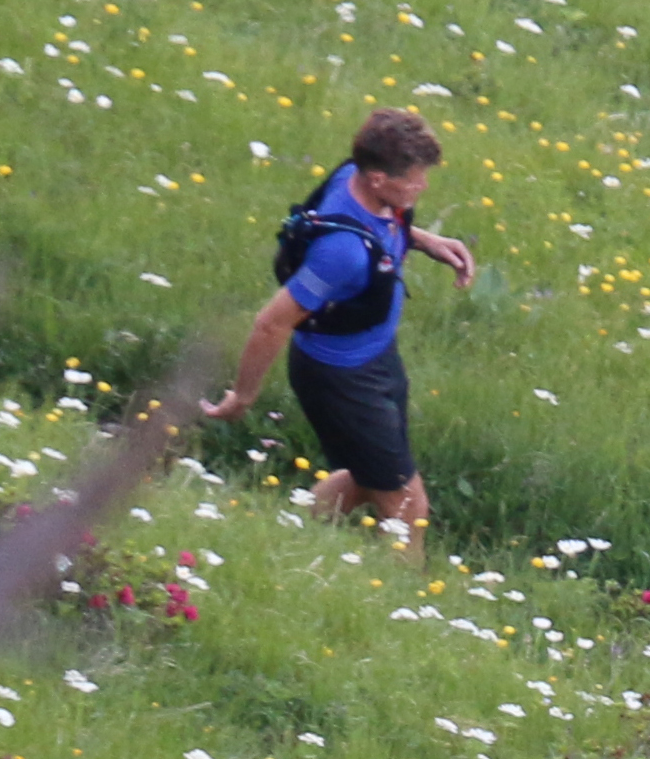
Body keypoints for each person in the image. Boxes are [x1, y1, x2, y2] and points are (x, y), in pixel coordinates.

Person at [202, 109, 477, 547]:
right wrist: (243, 395)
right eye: (412, 179)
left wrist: (424, 240)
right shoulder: (341, 254)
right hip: (342, 380)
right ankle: (405, 601)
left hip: (377, 357)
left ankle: (284, 540)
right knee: (407, 502)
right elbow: (271, 323)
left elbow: (378, 226)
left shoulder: (356, 176)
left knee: (372, 477)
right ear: (377, 180)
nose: (422, 186)